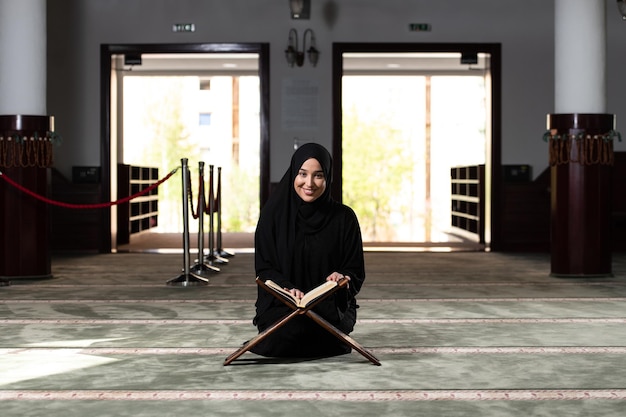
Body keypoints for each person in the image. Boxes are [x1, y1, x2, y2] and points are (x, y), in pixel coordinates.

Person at [251, 142, 366, 358]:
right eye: (303, 174)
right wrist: (286, 288)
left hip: (331, 307)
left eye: (318, 175)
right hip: (282, 307)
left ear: (328, 177)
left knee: (320, 329)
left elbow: (355, 269)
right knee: (288, 331)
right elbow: (264, 269)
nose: (309, 183)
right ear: (294, 173)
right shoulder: (272, 217)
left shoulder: (344, 218)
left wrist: (342, 277)